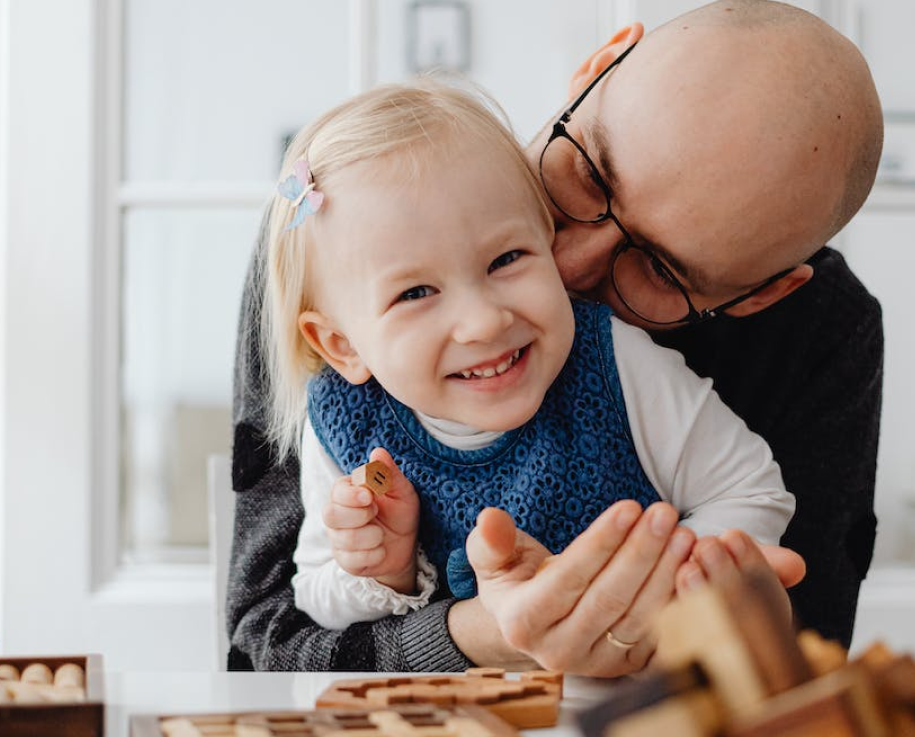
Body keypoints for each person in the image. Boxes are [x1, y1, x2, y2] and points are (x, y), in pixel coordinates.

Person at [228, 0, 882, 674]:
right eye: (589, 174)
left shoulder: (815, 339)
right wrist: (467, 624)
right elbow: (261, 647)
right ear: (594, 70)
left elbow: (810, 655)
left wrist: (691, 607)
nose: (563, 266)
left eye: (659, 269)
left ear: (762, 295)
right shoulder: (340, 248)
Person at [260, 81, 793, 632]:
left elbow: (748, 488)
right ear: (342, 345)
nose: (485, 321)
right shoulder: (347, 423)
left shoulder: (614, 364)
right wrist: (384, 572)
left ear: (548, 239)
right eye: (415, 293)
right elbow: (314, 596)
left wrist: (668, 588)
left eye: (507, 259)